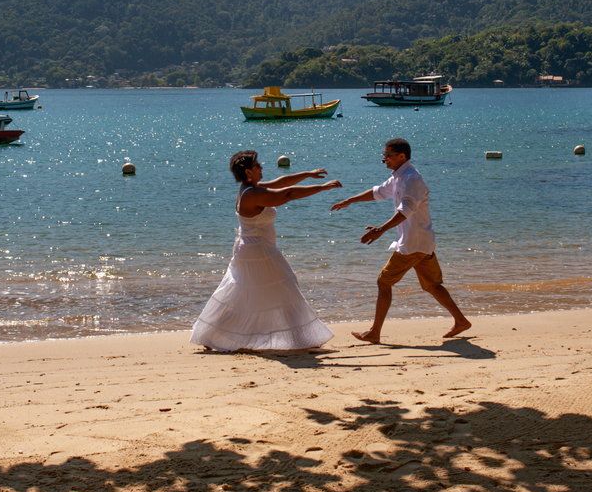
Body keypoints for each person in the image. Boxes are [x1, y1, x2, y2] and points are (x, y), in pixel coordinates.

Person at [190, 150, 342, 352]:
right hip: (258, 251)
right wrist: (322, 188)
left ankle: (211, 335)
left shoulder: (251, 188)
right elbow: (287, 194)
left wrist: (308, 174)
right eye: (257, 165)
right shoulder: (253, 194)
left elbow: (282, 182)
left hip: (252, 248)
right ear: (248, 172)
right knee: (286, 287)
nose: (262, 167)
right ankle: (302, 337)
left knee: (240, 293)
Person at [330, 138, 471, 344]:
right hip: (421, 242)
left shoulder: (411, 179)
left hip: (412, 244)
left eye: (387, 155)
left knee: (383, 282)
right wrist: (350, 200)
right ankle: (461, 321)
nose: (384, 158)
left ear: (401, 156)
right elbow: (377, 192)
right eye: (384, 154)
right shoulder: (399, 176)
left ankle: (374, 332)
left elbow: (406, 210)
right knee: (432, 285)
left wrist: (381, 229)